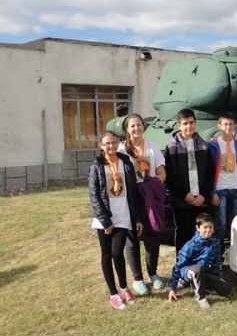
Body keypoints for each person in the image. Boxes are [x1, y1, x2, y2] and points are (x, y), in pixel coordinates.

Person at [88, 130, 144, 311]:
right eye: (107, 143)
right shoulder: (96, 166)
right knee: (106, 254)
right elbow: (94, 195)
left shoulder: (126, 162)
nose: (111, 146)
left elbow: (133, 191)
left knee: (117, 252)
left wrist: (137, 217)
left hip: (123, 215)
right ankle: (113, 294)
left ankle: (124, 287)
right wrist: (105, 221)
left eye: (113, 142)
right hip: (104, 217)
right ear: (101, 146)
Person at [119, 113, 166, 295]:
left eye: (138, 125)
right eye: (132, 126)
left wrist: (154, 184)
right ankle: (138, 279)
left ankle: (153, 273)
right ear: (127, 129)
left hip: (149, 197)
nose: (136, 128)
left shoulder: (152, 146)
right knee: (132, 238)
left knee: (152, 236)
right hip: (130, 198)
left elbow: (161, 172)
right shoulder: (122, 149)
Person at [164, 108, 214, 252]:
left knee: (201, 233)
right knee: (183, 233)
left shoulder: (203, 145)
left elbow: (210, 173)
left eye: (191, 122)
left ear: (195, 123)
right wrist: (184, 194)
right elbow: (170, 176)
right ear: (179, 125)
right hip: (182, 199)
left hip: (200, 198)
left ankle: (200, 262)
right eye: (185, 123)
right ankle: (182, 263)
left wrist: (203, 194)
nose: (188, 126)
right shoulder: (172, 147)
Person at [167, 213, 230, 309]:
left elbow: (216, 261)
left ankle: (197, 284)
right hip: (188, 271)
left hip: (204, 272)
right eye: (205, 227)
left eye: (211, 227)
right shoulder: (191, 245)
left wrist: (216, 278)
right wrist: (172, 288)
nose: (208, 230)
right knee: (197, 269)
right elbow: (178, 265)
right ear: (197, 228)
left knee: (226, 289)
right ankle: (201, 297)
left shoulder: (215, 242)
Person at [209, 114, 237, 249]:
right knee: (220, 223)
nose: (228, 127)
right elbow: (210, 170)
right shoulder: (213, 145)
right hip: (220, 189)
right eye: (225, 124)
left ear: (235, 126)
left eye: (231, 124)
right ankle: (218, 254)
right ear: (219, 126)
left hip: (236, 188)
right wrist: (213, 192)